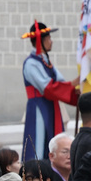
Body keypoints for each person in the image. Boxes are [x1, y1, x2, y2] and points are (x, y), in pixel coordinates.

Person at [22, 21, 81, 162]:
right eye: (48, 39)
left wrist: (75, 89)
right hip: (39, 107)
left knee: (52, 141)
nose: (51, 42)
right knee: (39, 143)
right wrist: (74, 83)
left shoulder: (45, 61)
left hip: (50, 106)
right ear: (39, 42)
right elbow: (48, 87)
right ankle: (38, 173)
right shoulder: (31, 63)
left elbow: (60, 83)